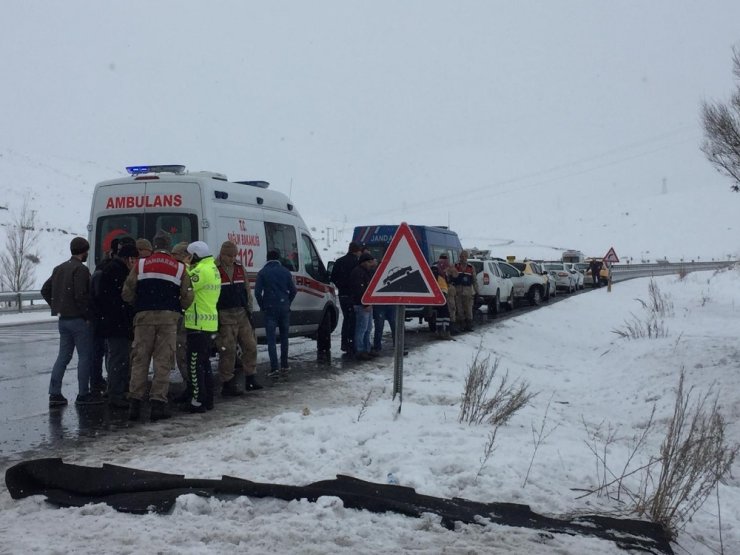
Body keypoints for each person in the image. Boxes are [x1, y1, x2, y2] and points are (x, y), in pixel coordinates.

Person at [123, 231, 193, 422]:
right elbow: (187, 298)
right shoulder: (180, 268)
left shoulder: (141, 264)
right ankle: (157, 405)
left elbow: (127, 292)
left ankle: (135, 405)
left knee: (140, 360)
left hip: (143, 318)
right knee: (163, 362)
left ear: (154, 245)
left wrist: (140, 304)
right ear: (170, 247)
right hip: (168, 319)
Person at [41, 237, 104, 407]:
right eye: (86, 251)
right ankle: (83, 394)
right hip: (79, 320)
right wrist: (88, 316)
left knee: (63, 357)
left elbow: (45, 289)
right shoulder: (81, 270)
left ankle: (55, 393)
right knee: (85, 357)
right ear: (83, 251)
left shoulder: (59, 268)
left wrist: (57, 305)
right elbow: (80, 296)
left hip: (64, 320)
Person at [91, 242, 138, 407]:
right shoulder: (118, 271)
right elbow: (121, 299)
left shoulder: (109, 267)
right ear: (129, 258)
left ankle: (114, 391)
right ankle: (115, 395)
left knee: (115, 358)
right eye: (135, 259)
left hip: (109, 322)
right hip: (117, 323)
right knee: (119, 359)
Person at [215, 240, 261, 396]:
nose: (232, 259)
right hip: (224, 315)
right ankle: (227, 383)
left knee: (250, 345)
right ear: (222, 254)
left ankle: (251, 377)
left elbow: (247, 290)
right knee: (227, 350)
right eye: (229, 255)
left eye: (234, 255)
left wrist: (249, 310)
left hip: (241, 314)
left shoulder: (240, 268)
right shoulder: (215, 269)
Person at [183, 241, 222, 412]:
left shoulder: (200, 270)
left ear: (195, 256)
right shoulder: (213, 268)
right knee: (204, 364)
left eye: (189, 255)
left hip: (197, 323)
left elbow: (186, 284)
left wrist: (183, 266)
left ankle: (197, 401)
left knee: (194, 364)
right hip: (208, 323)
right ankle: (208, 399)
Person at [255, 249, 297, 378]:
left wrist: (263, 305)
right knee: (284, 337)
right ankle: (284, 365)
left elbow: (257, 293)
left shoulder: (262, 273)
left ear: (267, 259)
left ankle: (274, 368)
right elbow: (293, 290)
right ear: (278, 258)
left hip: (270, 308)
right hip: (284, 307)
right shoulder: (285, 272)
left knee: (271, 339)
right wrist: (287, 302)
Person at [330, 241, 362, 355]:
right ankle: (351, 343)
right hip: (353, 295)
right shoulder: (357, 263)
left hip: (343, 295)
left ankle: (345, 343)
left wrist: (341, 286)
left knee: (346, 319)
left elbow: (332, 277)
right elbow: (359, 279)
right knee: (353, 320)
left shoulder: (339, 261)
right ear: (356, 251)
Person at [348, 252, 377, 360]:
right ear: (364, 262)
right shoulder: (358, 273)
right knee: (362, 328)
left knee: (368, 328)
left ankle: (367, 349)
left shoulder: (365, 272)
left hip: (367, 304)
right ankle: (360, 350)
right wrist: (365, 303)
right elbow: (359, 290)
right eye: (369, 262)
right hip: (361, 305)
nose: (371, 264)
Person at [171, 241, 191, 388]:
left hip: (183, 318)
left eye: (175, 256)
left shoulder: (183, 270)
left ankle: (190, 385)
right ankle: (192, 385)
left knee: (183, 354)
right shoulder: (189, 269)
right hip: (190, 318)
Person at [453, 250, 477, 332]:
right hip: (458, 291)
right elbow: (451, 277)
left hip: (468, 291)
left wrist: (477, 291)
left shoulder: (471, 267)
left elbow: (474, 280)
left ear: (467, 257)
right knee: (459, 309)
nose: (463, 258)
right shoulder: (455, 266)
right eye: (461, 256)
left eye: (464, 256)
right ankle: (461, 325)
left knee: (468, 309)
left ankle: (469, 325)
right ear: (459, 257)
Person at [432, 254, 452, 339]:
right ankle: (446, 332)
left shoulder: (436, 268)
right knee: (446, 313)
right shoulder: (438, 269)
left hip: (439, 293)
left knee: (440, 313)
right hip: (440, 292)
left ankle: (439, 331)